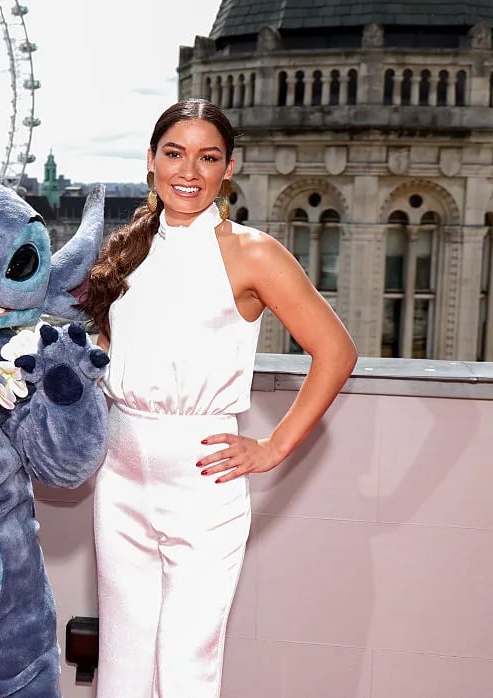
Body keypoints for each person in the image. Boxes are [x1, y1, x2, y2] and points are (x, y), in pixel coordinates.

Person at [81, 98, 358, 697]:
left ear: (229, 169)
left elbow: (336, 351)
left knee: (186, 667)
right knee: (123, 662)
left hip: (203, 484)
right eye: (174, 154)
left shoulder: (254, 252)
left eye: (207, 158)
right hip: (118, 475)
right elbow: (108, 353)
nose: (189, 171)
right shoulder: (126, 251)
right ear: (151, 160)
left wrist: (272, 447)